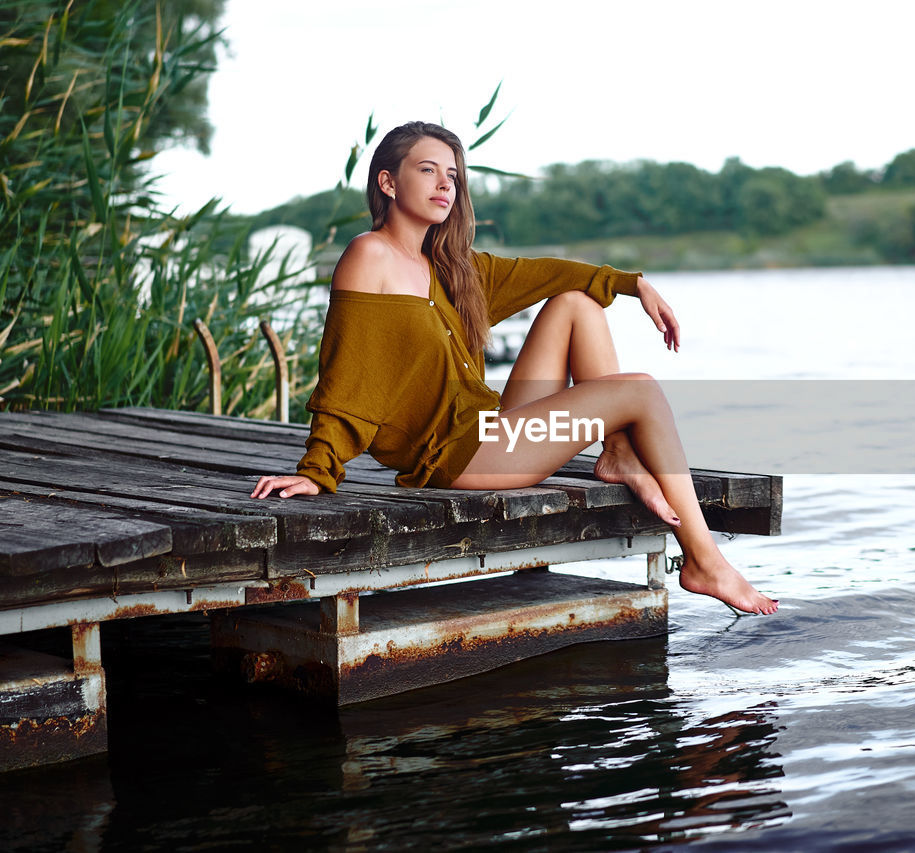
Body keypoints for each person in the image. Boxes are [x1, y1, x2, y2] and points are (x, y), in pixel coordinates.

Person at [250, 121, 777, 616]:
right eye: (428, 170)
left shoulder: (449, 265)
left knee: (575, 302)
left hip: (486, 429)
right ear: (388, 182)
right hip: (458, 455)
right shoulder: (369, 257)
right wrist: (317, 470)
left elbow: (543, 272)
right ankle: (705, 562)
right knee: (640, 391)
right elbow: (348, 370)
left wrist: (630, 283)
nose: (444, 185)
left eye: (452, 175)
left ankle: (618, 454)